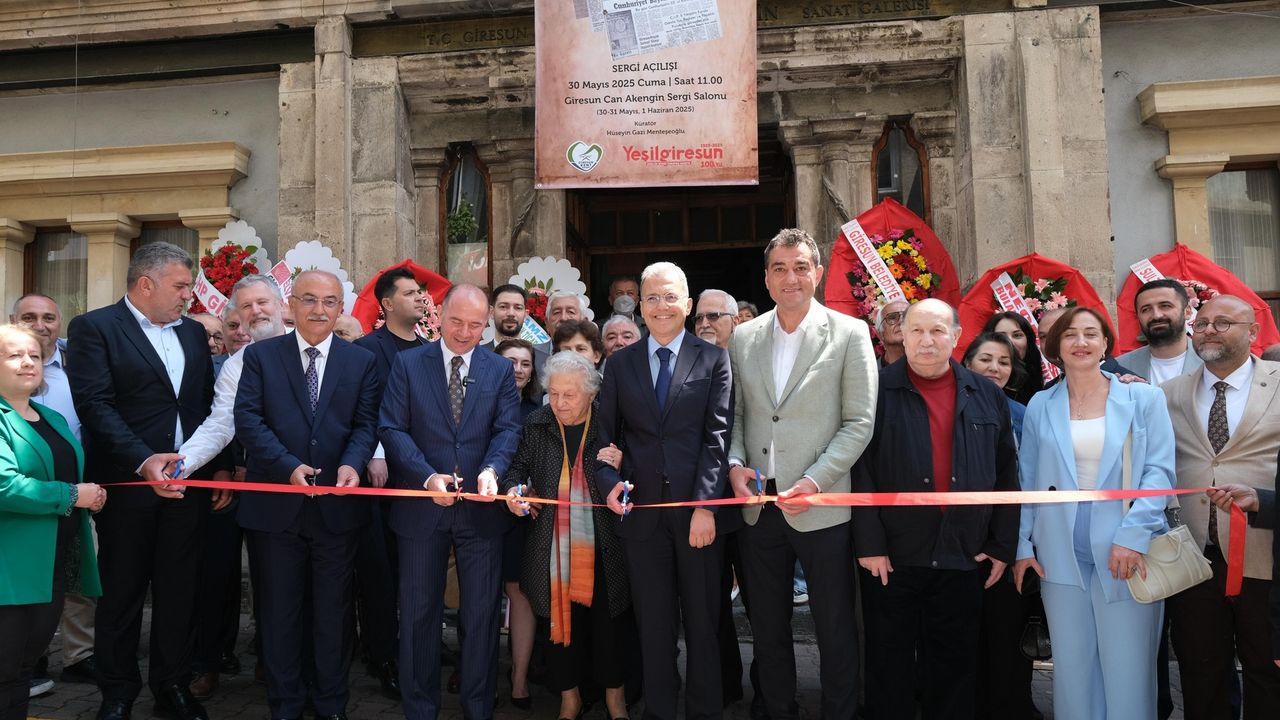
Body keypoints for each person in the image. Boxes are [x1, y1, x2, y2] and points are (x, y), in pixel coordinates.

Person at [67, 241, 227, 720]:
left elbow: (207, 407)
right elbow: (95, 406)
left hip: (185, 487)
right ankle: (117, 692)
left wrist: (216, 465)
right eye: (181, 287)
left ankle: (171, 686)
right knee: (122, 592)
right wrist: (143, 461)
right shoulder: (94, 328)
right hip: (127, 487)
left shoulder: (194, 336)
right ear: (146, 283)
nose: (187, 297)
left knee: (180, 592)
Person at [727, 229, 877, 720]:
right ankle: (776, 708)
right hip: (759, 508)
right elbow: (736, 417)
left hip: (822, 505)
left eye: (799, 267)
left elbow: (859, 422)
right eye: (779, 268)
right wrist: (733, 467)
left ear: (817, 273)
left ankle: (840, 710)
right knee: (766, 627)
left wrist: (814, 480)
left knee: (835, 627)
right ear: (766, 278)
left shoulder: (850, 332)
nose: (790, 277)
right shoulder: (743, 337)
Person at [853, 299, 1019, 720]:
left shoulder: (985, 394)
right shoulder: (874, 391)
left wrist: (1001, 545)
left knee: (953, 670)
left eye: (938, 331)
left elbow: (1005, 471)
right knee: (888, 670)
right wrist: (869, 543)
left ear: (957, 336)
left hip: (963, 554)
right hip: (892, 556)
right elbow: (860, 472)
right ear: (901, 335)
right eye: (917, 331)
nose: (927, 341)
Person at [1012, 306, 1175, 720]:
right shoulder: (1040, 404)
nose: (1080, 342)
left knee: (1128, 668)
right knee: (1072, 667)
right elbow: (1027, 480)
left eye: (1091, 334)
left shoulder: (1143, 398)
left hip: (1126, 546)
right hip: (1056, 549)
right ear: (1056, 347)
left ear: (1106, 343)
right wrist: (1021, 546)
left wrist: (1132, 537)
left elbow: (1158, 473)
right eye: (1070, 335)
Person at [233, 270, 380, 720]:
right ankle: (286, 703)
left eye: (330, 302)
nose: (320, 310)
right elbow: (248, 420)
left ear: (342, 309)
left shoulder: (361, 362)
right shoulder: (260, 357)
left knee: (334, 616)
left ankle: (331, 703)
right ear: (290, 306)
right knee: (279, 615)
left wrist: (353, 464)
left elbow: (365, 424)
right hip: (276, 510)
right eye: (310, 300)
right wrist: (286, 466)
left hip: (337, 510)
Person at [595, 260, 732, 720]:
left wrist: (705, 508)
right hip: (642, 518)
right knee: (653, 627)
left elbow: (717, 440)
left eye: (670, 296)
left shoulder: (713, 359)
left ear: (688, 304)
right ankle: (658, 710)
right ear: (640, 305)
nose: (660, 305)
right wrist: (610, 484)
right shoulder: (620, 364)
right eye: (651, 297)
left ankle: (705, 711)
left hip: (697, 518)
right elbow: (603, 438)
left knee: (702, 625)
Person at [380, 284, 522, 720]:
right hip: (422, 511)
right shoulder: (407, 364)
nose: (464, 332)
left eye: (476, 325)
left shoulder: (498, 370)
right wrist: (426, 476)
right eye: (456, 321)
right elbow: (392, 428)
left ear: (488, 324)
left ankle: (478, 706)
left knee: (480, 618)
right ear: (438, 314)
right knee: (419, 615)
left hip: (481, 513)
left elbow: (508, 430)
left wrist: (492, 471)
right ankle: (419, 708)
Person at [1159, 295, 1280, 718]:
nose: (1209, 329)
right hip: (1195, 560)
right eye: (1203, 322)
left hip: (1266, 558)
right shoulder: (1166, 394)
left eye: (1223, 322)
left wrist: (1264, 501)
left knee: (1268, 672)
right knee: (1201, 672)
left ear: (1253, 332)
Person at [503, 351, 634, 720]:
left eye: (569, 395)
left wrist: (623, 463)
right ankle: (569, 700)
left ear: (591, 394)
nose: (559, 403)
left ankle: (615, 701)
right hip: (551, 547)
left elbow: (633, 469)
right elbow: (516, 469)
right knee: (562, 630)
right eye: (554, 393)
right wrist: (515, 493)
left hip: (605, 545)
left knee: (610, 630)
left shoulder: (609, 424)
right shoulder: (538, 423)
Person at [175, 276, 286, 701]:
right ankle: (207, 663)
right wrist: (182, 466)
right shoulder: (237, 366)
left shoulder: (307, 352)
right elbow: (221, 423)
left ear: (280, 304)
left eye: (262, 302)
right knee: (214, 577)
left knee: (277, 585)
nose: (255, 312)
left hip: (283, 493)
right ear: (235, 315)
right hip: (222, 487)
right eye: (246, 307)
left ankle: (276, 665)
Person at [0, 323, 104, 720]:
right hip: (9, 568)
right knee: (5, 671)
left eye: (34, 355)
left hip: (52, 563)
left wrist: (87, 494)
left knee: (24, 671)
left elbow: (64, 474)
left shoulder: (52, 418)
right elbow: (5, 486)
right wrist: (74, 496)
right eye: (14, 355)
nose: (28, 362)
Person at [352, 266, 428, 699]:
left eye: (421, 292)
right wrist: (378, 455)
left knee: (418, 571)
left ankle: (418, 645)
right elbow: (366, 412)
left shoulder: (431, 350)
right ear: (386, 304)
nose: (420, 298)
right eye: (410, 292)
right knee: (381, 573)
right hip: (379, 481)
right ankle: (383, 655)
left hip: (421, 479)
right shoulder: (366, 351)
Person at [494, 337, 543, 709]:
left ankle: (519, 678)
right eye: (510, 362)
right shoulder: (481, 402)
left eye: (525, 363)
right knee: (475, 598)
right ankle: (473, 668)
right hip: (482, 511)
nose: (518, 370)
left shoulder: (540, 411)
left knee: (520, 594)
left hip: (522, 515)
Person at [1117, 279, 1202, 384]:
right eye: (1146, 309)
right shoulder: (1120, 367)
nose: (1156, 315)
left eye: (1165, 306)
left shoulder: (1212, 363)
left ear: (1187, 312)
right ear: (1138, 317)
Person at [962, 332, 1027, 442]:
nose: (994, 368)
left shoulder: (1022, 413)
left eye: (1003, 362)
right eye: (985, 360)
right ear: (968, 364)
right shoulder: (951, 405)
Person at [982, 311, 1044, 405]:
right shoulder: (978, 384)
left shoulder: (1043, 390)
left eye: (1017, 335)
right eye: (1001, 336)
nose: (1009, 342)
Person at [487, 285, 552, 374]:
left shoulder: (545, 363)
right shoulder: (474, 356)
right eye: (503, 307)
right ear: (491, 312)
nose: (511, 313)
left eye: (518, 308)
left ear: (525, 315)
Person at [875, 299, 909, 367]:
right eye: (892, 317)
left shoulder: (934, 368)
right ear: (880, 334)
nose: (901, 321)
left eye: (907, 317)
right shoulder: (870, 373)